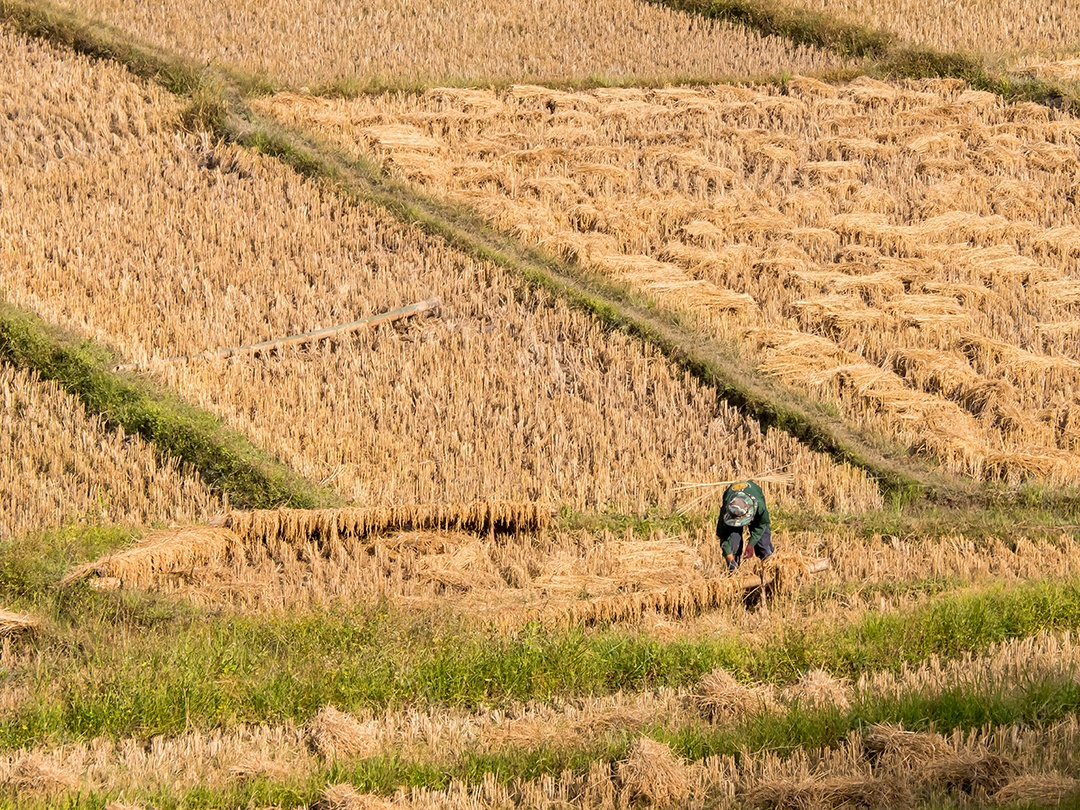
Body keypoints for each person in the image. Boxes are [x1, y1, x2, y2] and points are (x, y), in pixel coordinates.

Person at [717, 480, 773, 572]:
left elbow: (761, 525)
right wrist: (730, 559)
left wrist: (751, 544)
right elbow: (723, 536)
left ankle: (770, 569)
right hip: (731, 507)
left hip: (754, 499)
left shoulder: (759, 506)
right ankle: (734, 574)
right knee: (733, 544)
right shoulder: (726, 511)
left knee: (763, 545)